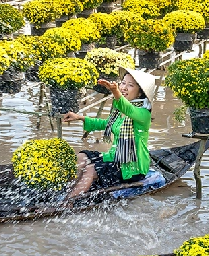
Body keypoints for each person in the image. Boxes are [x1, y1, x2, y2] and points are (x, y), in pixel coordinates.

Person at [63, 69, 156, 197]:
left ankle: (68, 202)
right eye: (123, 83)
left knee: (91, 169)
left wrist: (115, 91)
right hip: (114, 157)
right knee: (82, 157)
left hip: (132, 166)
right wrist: (79, 117)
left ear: (140, 93)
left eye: (130, 85)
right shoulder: (119, 111)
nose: (124, 87)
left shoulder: (143, 114)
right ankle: (68, 191)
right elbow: (106, 123)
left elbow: (127, 108)